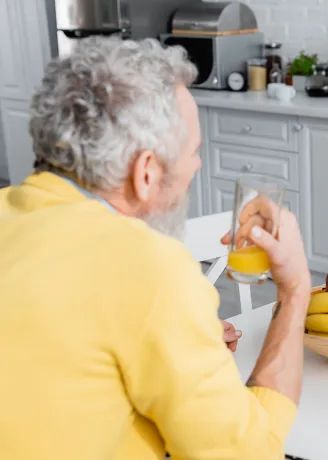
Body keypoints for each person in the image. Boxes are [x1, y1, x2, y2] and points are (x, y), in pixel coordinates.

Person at [0, 36, 311, 459]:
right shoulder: (147, 266)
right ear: (145, 172)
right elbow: (250, 453)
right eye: (193, 152)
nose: (197, 165)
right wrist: (295, 288)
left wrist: (176, 336)